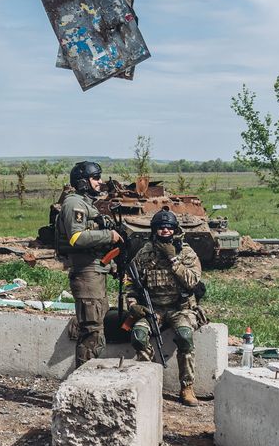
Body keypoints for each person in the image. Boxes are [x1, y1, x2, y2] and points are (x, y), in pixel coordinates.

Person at [126, 208, 205, 406]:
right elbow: (131, 283)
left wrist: (173, 260)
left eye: (169, 228)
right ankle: (146, 382)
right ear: (154, 230)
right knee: (138, 335)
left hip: (181, 308)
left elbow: (192, 281)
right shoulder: (145, 253)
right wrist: (133, 305)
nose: (165, 231)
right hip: (154, 309)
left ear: (174, 229)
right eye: (161, 228)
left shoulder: (185, 253)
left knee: (185, 336)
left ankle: (187, 387)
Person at [56, 160, 124, 369]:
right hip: (86, 274)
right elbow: (76, 238)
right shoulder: (74, 204)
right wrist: (108, 235)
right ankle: (82, 381)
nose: (100, 182)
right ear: (83, 182)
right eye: (96, 178)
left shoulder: (85, 203)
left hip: (95, 271)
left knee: (97, 327)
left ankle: (88, 376)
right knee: (91, 330)